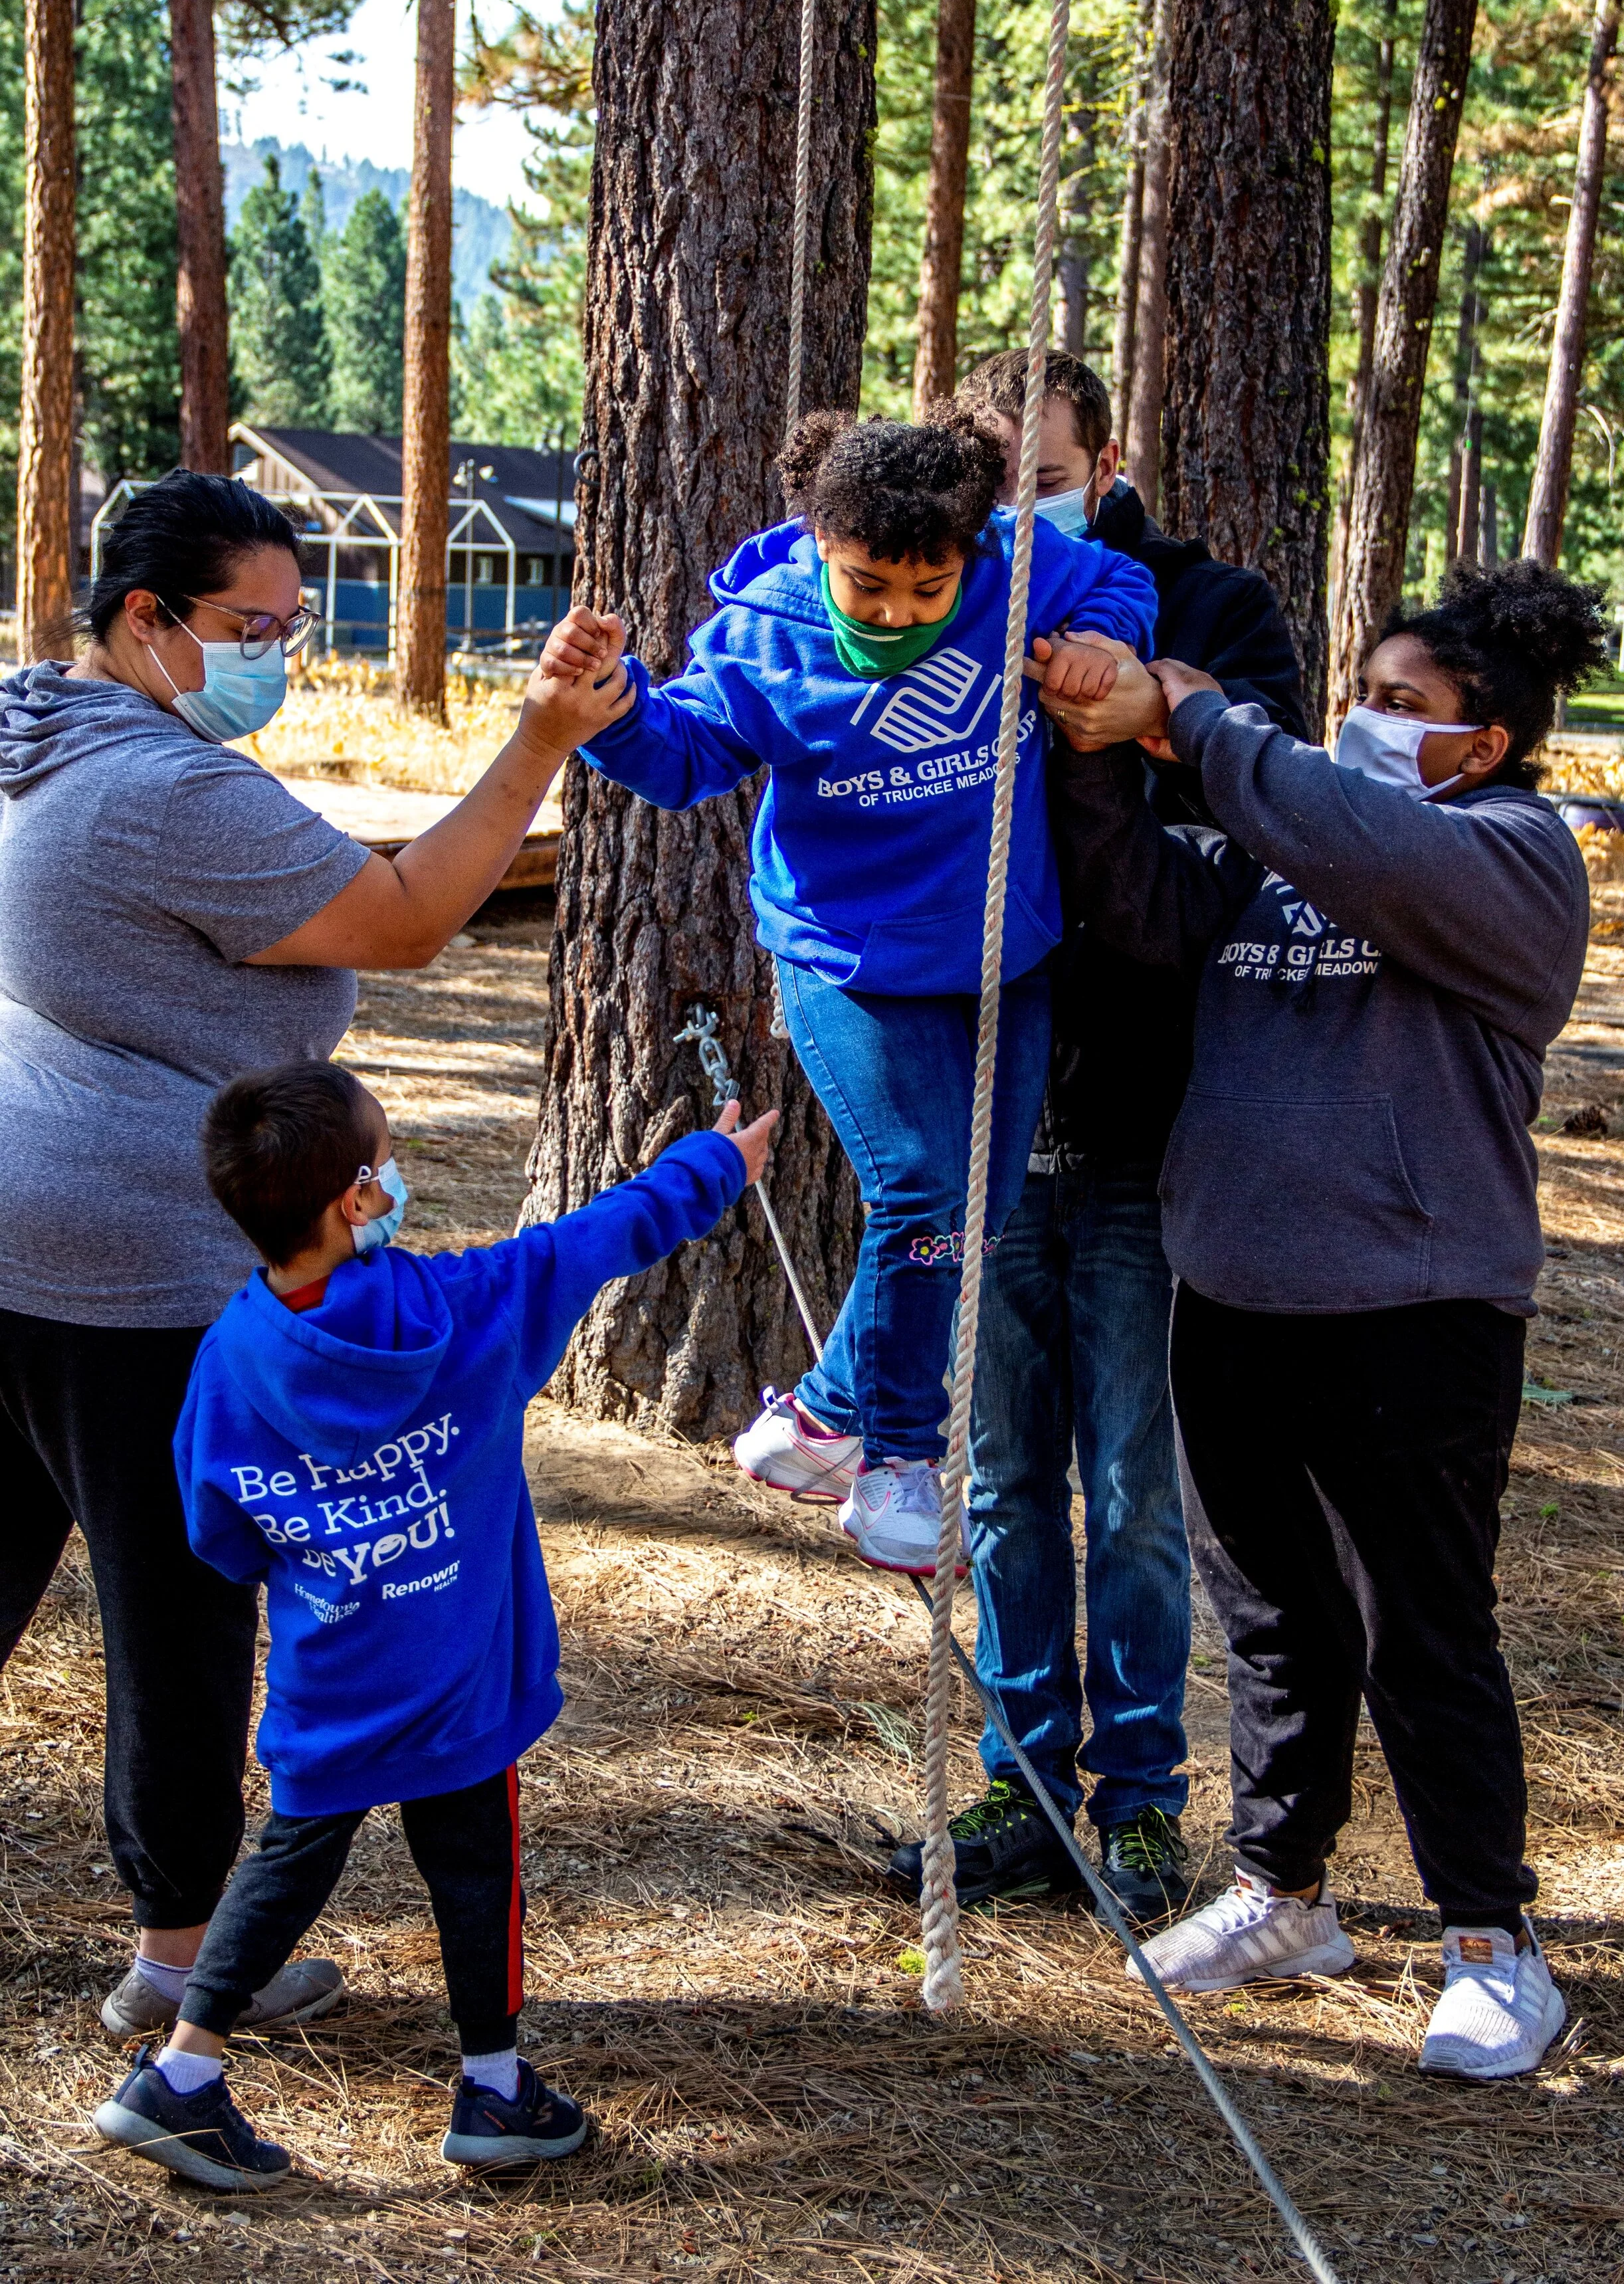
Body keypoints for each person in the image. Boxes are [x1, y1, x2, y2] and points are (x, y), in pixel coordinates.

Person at [0, 469, 630, 2047]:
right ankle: (180, 1956)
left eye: (292, 623)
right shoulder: (167, 791)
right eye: (249, 628)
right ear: (145, 620)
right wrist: (543, 738)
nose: (280, 654)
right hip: (142, 1257)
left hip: (21, 1216)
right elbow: (410, 916)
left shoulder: (33, 731)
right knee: (181, 1607)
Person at [1047, 562, 1599, 2081]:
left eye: (1399, 707)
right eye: (1356, 695)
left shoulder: (1510, 855)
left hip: (1411, 1309)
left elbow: (1351, 834)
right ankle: (1280, 1894)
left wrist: (1206, 715)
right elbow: (1149, 908)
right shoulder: (1282, 848)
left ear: (1480, 744)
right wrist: (1097, 758)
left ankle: (1491, 1943)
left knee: (1421, 1632)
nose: (1361, 723)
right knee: (1274, 1621)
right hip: (1232, 1291)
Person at [94, 1061, 775, 2188]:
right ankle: (495, 2088)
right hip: (461, 1677)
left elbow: (215, 1527)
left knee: (290, 1859)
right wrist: (716, 1165)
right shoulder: (464, 1309)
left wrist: (326, 1548)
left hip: (330, 1672)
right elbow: (599, 1237)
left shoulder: (231, 1356)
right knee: (476, 1868)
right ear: (356, 1200)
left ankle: (184, 2071)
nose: (402, 1175)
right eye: (389, 1157)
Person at [545, 407, 1158, 1575]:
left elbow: (1121, 582)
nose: (896, 614)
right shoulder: (769, 633)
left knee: (976, 1205)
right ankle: (896, 1459)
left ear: (973, 554)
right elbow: (681, 756)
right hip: (847, 957)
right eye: (868, 585)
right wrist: (612, 710)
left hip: (1004, 949)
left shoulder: (1023, 569)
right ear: (820, 541)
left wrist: (1100, 644)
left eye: (930, 592)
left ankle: (820, 1416)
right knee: (921, 1182)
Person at [887, 352, 1306, 1923]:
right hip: (982, 1109)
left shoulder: (1212, 607)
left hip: (1140, 1116)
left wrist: (1109, 713)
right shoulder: (927, 609)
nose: (1010, 511)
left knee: (1130, 1482)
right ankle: (1017, 1775)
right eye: (983, 486)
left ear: (1103, 459)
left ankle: (1136, 1802)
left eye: (1036, 478)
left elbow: (1230, 817)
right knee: (996, 1478)